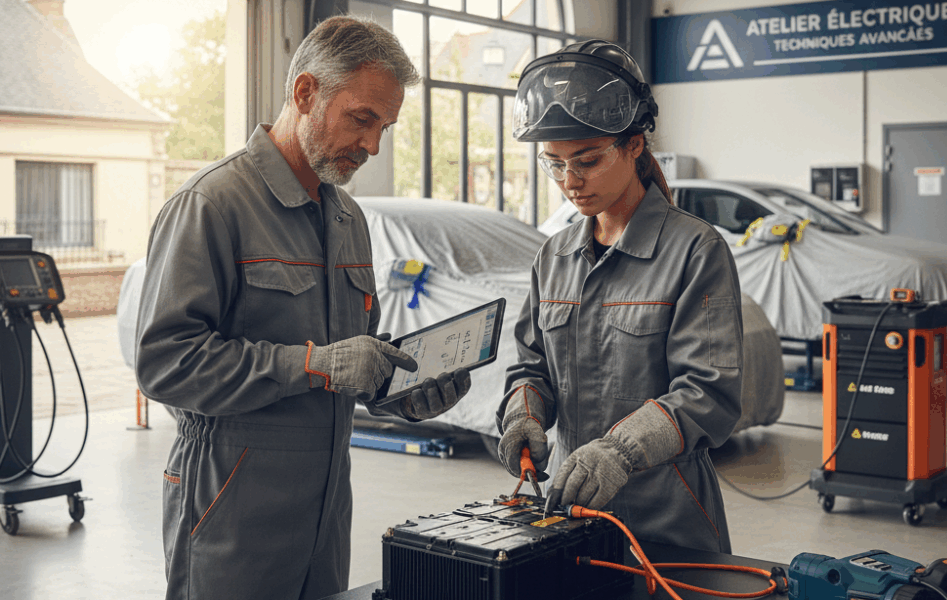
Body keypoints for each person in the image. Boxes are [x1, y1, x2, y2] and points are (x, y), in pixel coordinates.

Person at [135, 16, 471, 600]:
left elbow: (350, 356)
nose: (371, 145)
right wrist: (312, 365)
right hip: (230, 501)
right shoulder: (211, 205)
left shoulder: (348, 219)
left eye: (384, 127)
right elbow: (165, 364)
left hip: (325, 511)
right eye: (361, 118)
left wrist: (401, 390)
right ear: (305, 92)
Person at [496, 40, 743, 553]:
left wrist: (621, 451)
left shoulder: (696, 250)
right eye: (554, 164)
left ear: (634, 145)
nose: (570, 182)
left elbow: (709, 393)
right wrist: (524, 415)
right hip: (572, 512)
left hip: (669, 519)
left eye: (586, 160)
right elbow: (531, 367)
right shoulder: (554, 256)